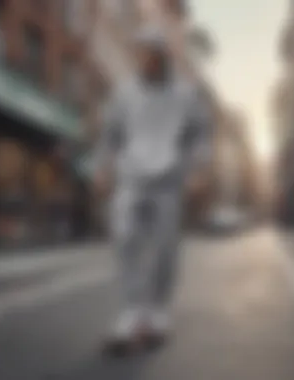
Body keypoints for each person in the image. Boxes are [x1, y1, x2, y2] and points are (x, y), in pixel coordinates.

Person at [91, 26, 213, 348]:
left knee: (165, 248)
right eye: (140, 56)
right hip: (132, 176)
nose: (145, 62)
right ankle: (132, 311)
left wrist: (199, 170)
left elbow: (200, 133)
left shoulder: (186, 94)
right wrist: (103, 168)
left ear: (162, 58)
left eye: (151, 56)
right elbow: (110, 134)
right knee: (125, 237)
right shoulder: (124, 92)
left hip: (169, 180)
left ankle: (158, 311)